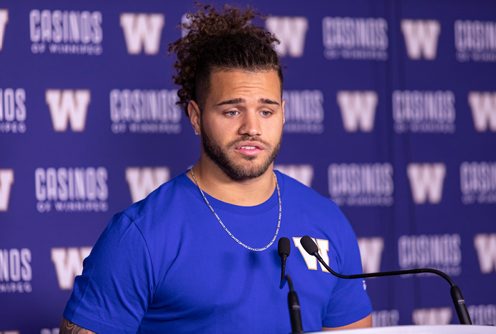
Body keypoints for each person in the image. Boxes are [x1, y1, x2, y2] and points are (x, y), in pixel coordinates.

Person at [60, 4, 372, 333]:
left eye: (266, 111)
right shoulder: (140, 234)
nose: (252, 127)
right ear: (196, 116)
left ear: (283, 112)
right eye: (231, 111)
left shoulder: (327, 221)